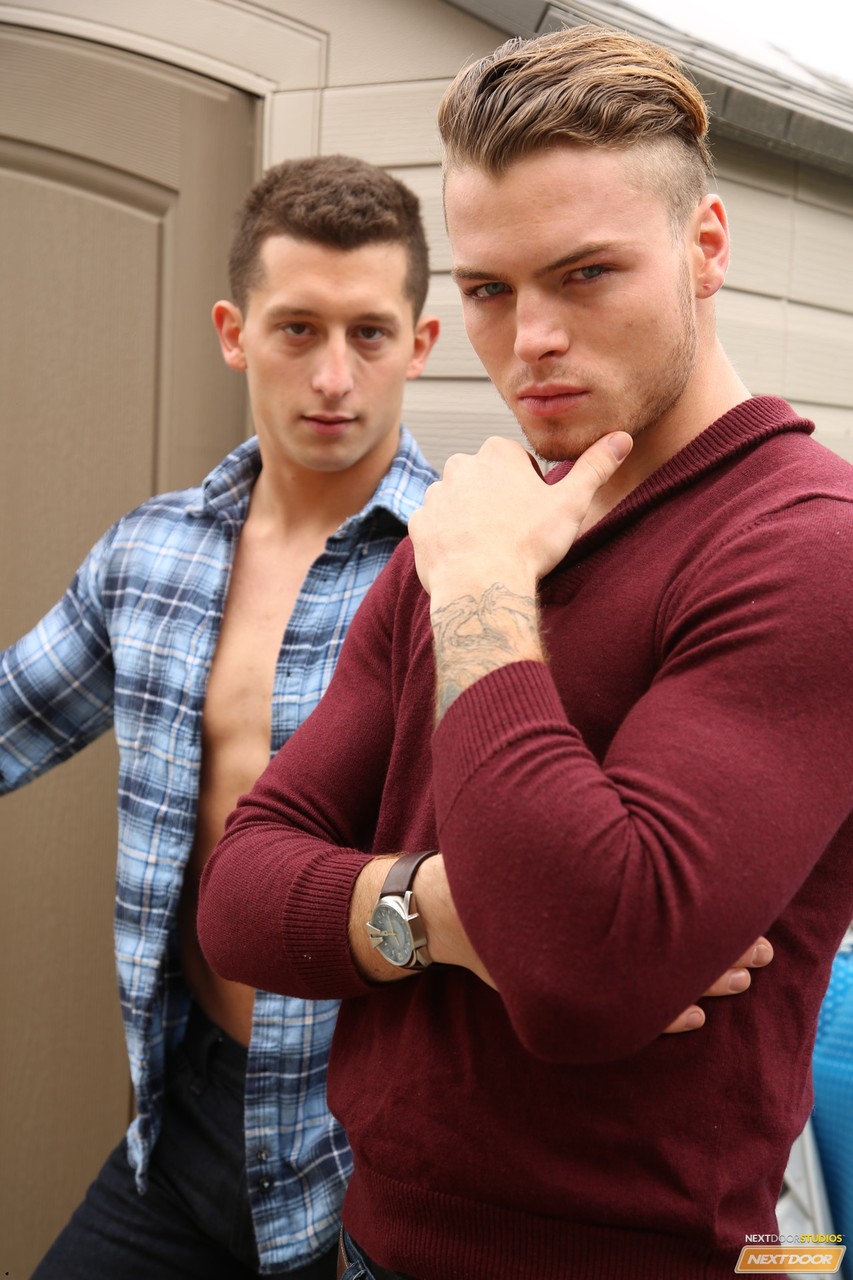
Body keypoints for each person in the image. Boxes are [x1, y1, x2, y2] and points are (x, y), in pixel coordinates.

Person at [196, 25, 853, 1280]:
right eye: (490, 290)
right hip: (370, 1239)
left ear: (706, 247)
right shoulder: (474, 526)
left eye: (585, 273)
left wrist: (489, 595)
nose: (530, 336)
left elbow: (581, 970)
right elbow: (238, 893)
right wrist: (440, 913)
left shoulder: (803, 545)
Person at [0, 154, 442, 1278]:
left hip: (383, 1154)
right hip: (189, 1119)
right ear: (234, 333)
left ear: (420, 344)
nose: (333, 377)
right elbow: (11, 715)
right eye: (297, 329)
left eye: (369, 333)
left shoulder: (471, 568)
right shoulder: (150, 553)